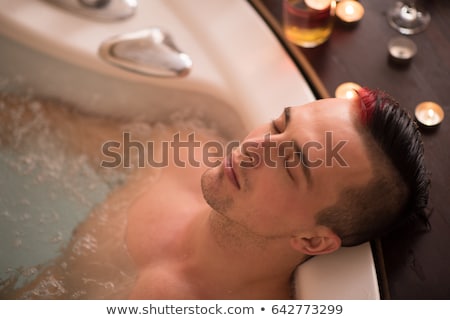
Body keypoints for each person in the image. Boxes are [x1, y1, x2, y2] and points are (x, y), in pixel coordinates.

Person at [0, 87, 429, 299]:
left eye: (292, 164)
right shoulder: (179, 153)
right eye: (280, 125)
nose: (255, 147)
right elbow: (40, 124)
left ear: (313, 240)